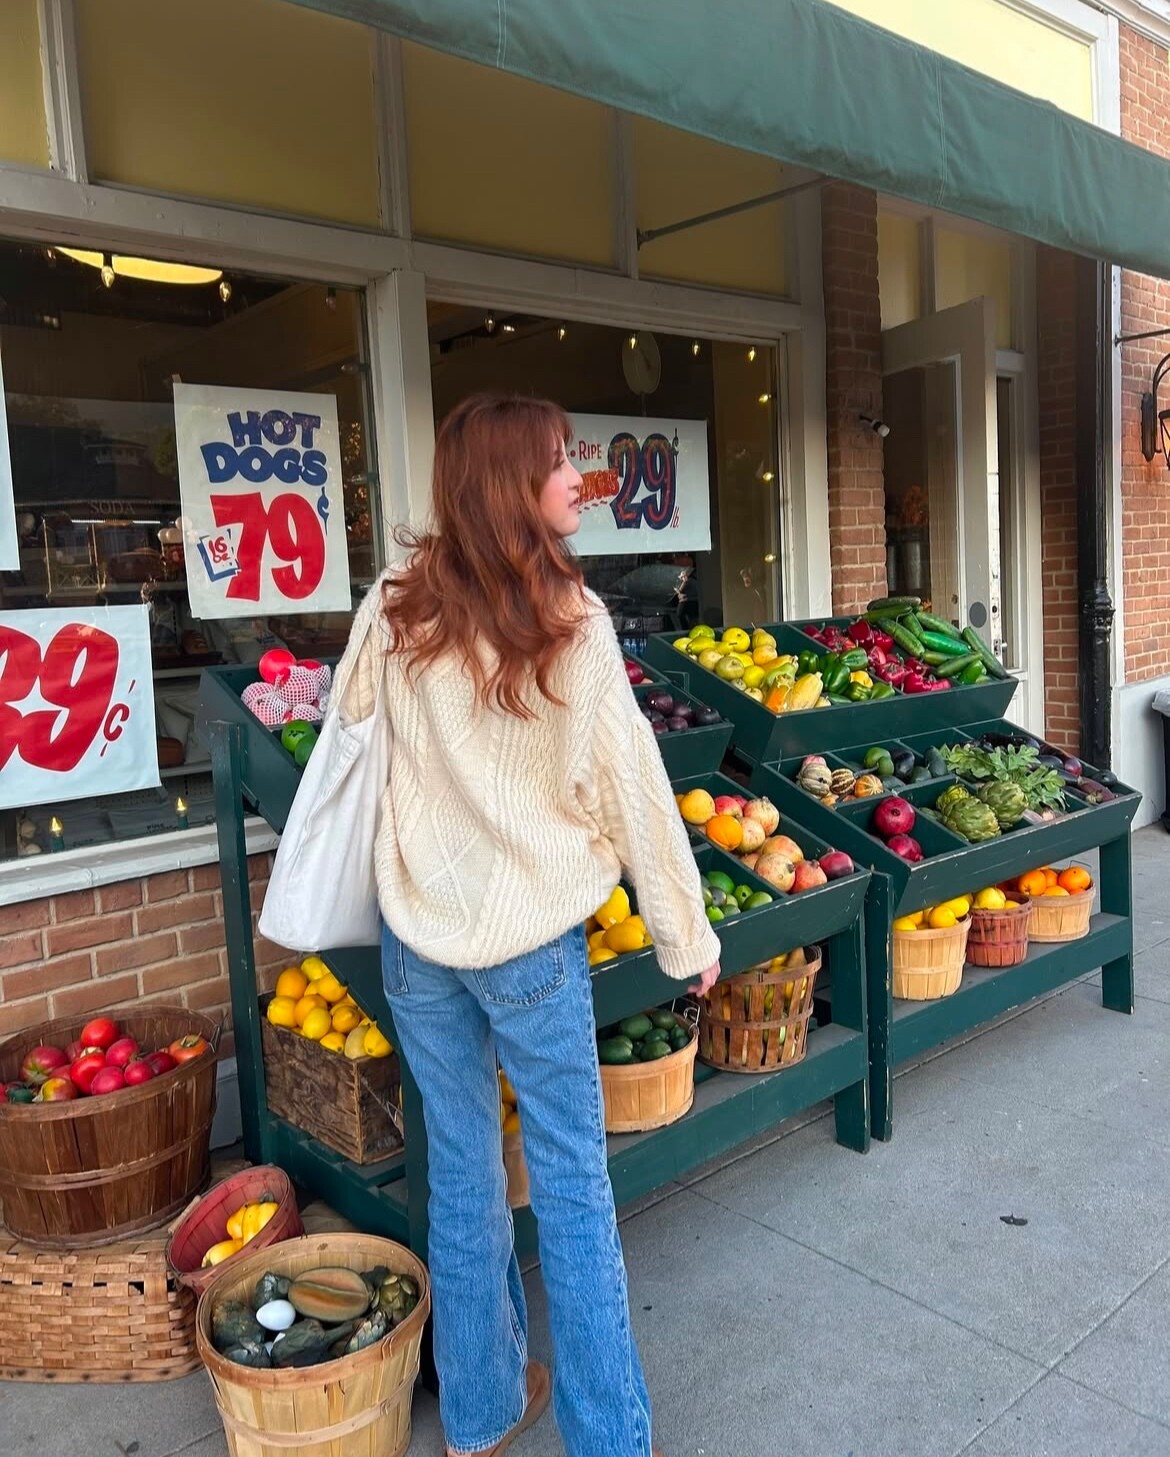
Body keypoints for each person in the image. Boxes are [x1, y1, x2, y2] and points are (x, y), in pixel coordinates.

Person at [337, 393, 721, 1457]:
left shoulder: (394, 607)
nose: (577, 478)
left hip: (419, 937)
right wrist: (686, 934)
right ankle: (609, 1440)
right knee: (571, 1187)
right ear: (512, 484)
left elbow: (349, 731)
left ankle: (480, 1413)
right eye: (558, 463)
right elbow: (633, 783)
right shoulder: (571, 621)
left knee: (461, 1178)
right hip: (531, 943)